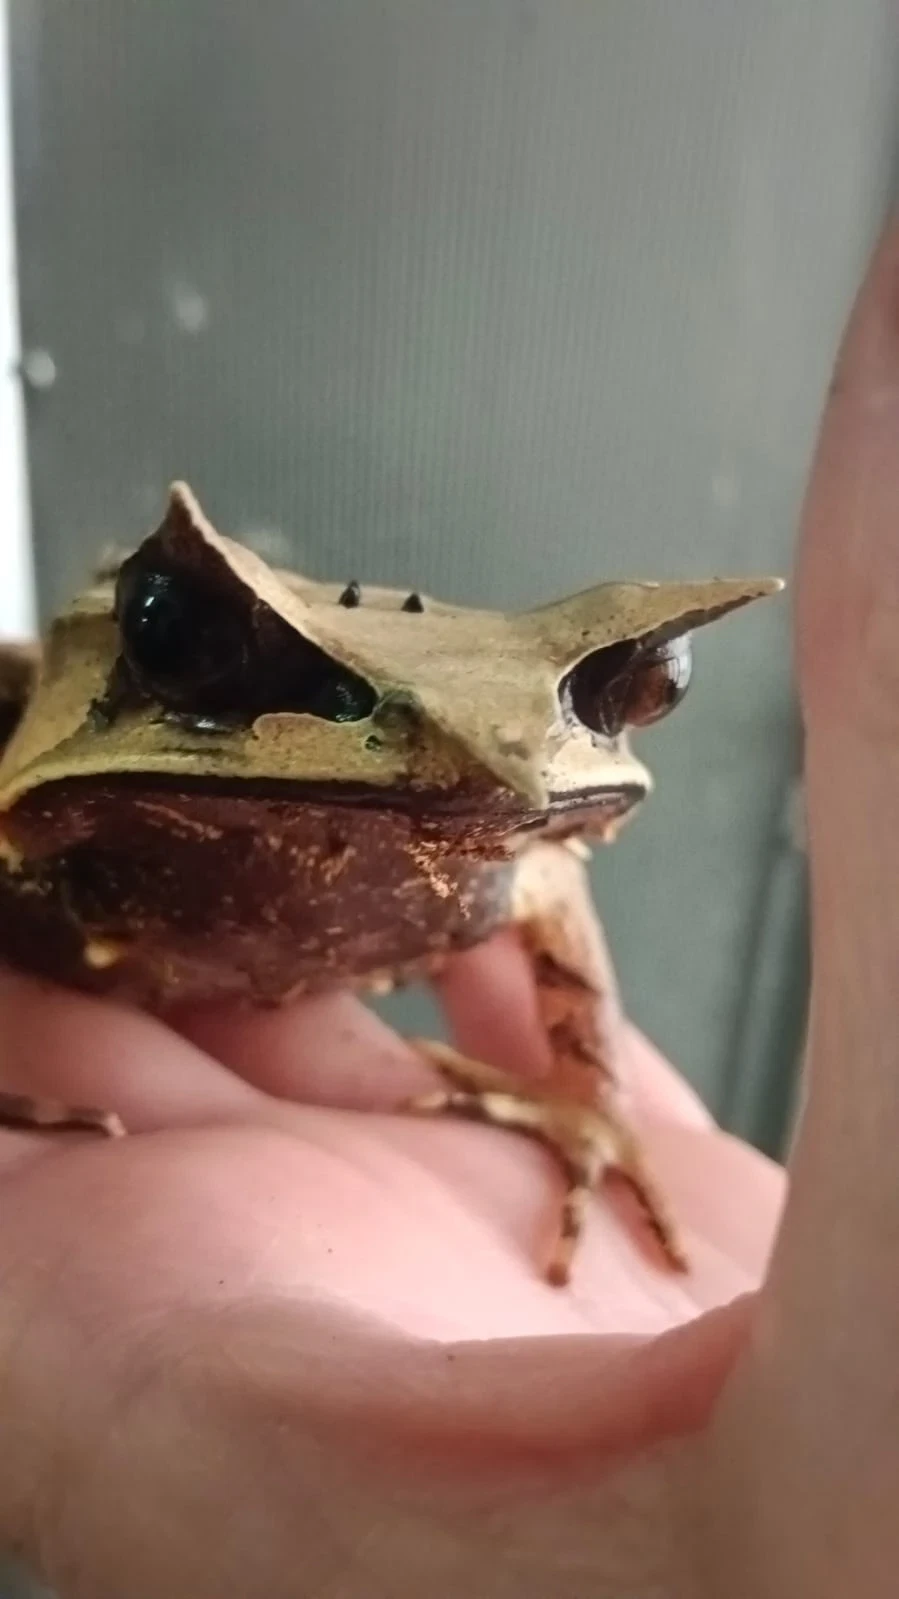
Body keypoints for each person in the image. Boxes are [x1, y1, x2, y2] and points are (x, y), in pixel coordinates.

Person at [0, 222, 896, 1599]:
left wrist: (589, 1098)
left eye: (629, 682)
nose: (466, 767)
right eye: (184, 629)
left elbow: (537, 874)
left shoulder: (507, 833)